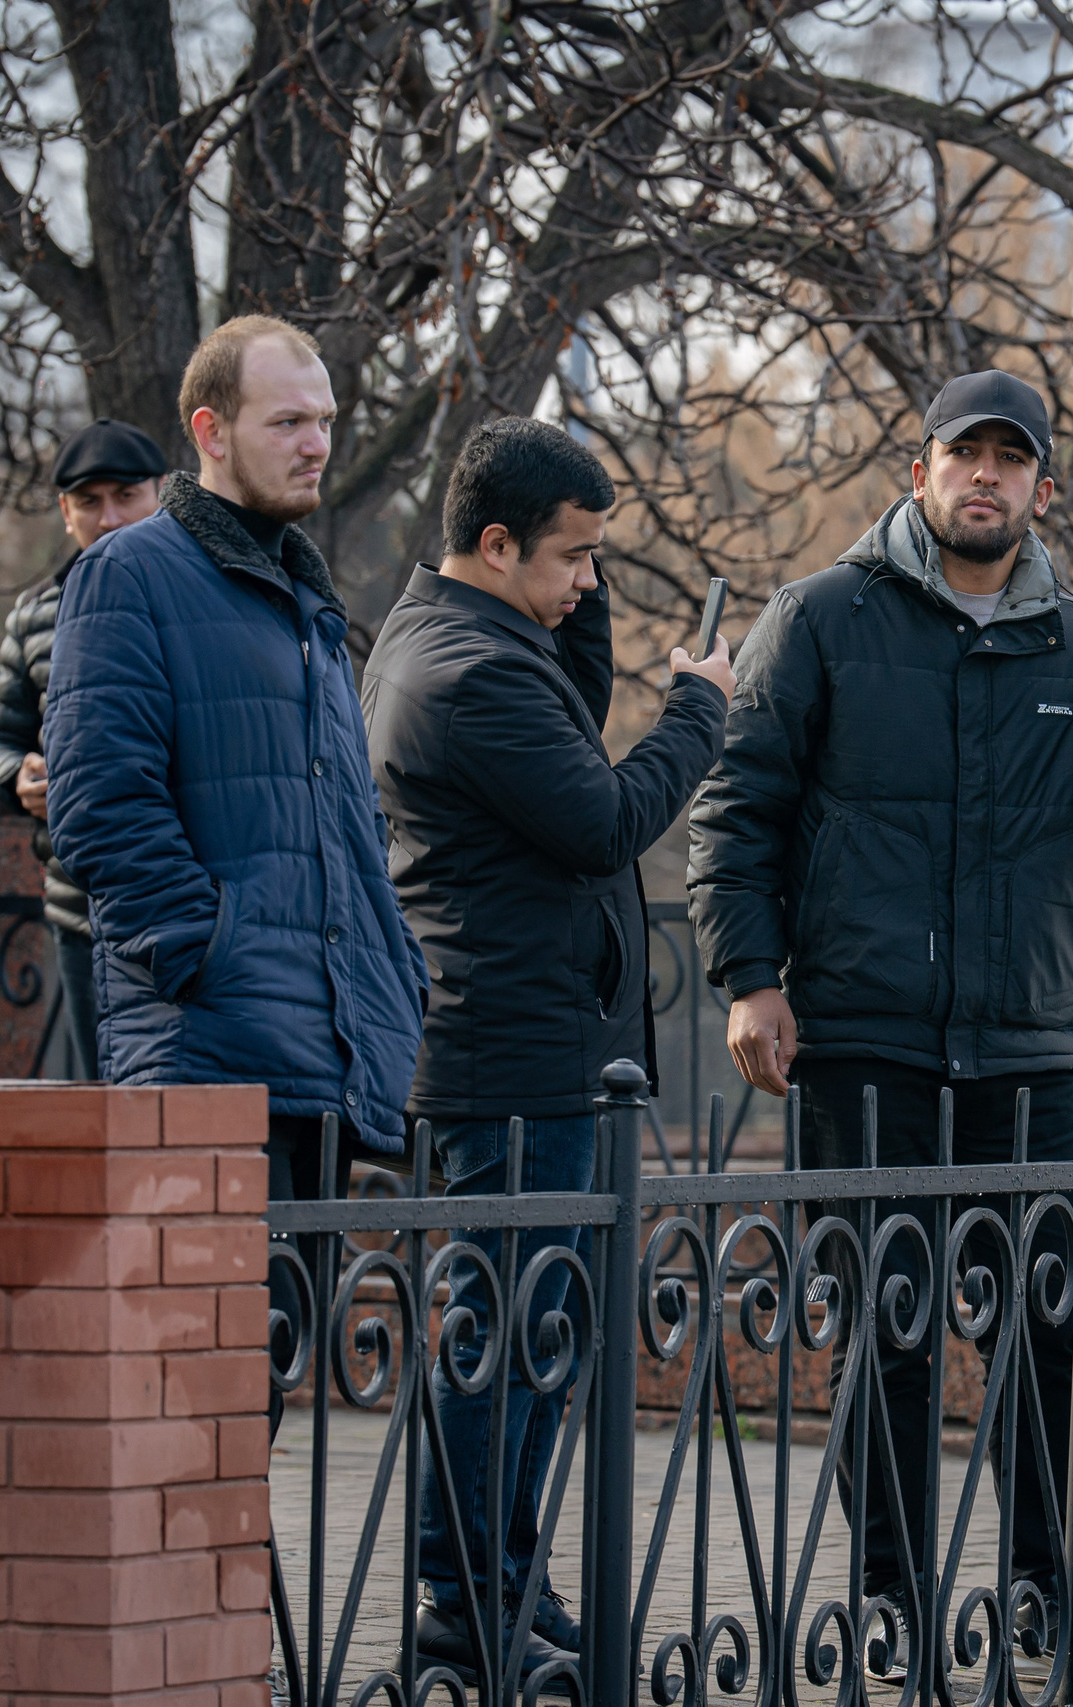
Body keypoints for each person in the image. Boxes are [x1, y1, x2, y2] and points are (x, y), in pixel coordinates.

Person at [689, 370, 1073, 1664]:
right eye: (962, 454)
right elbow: (736, 807)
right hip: (864, 1041)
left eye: (1010, 459)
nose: (987, 476)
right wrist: (752, 973)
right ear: (917, 473)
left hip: (1031, 1043)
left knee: (1044, 1338)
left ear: (1041, 487)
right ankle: (889, 1602)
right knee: (888, 1330)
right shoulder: (818, 616)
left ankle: (1043, 1592)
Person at [363, 418, 735, 1670]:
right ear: (493, 543)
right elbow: (603, 816)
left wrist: (578, 576)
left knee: (534, 1343)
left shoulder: (479, 637)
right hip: (509, 1062)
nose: (589, 583)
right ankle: (468, 1601)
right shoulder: (464, 673)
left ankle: (498, 1587)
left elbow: (568, 698)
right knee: (502, 1350)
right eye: (573, 558)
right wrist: (700, 708)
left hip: (541, 1052)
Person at [46, 315, 424, 1184]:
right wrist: (208, 952)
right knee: (227, 1325)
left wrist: (396, 974)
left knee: (306, 1324)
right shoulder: (127, 573)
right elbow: (100, 805)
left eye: (325, 421)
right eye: (288, 422)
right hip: (207, 1054)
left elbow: (347, 824)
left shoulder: (303, 598)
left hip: (329, 1056)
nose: (317, 444)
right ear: (210, 432)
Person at [0, 418, 169, 1076]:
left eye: (126, 495)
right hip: (77, 909)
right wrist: (15, 777)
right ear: (65, 511)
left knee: (197, 1122)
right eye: (90, 501)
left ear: (161, 493)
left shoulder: (195, 596)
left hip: (186, 908)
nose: (109, 518)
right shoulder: (33, 615)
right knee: (107, 1119)